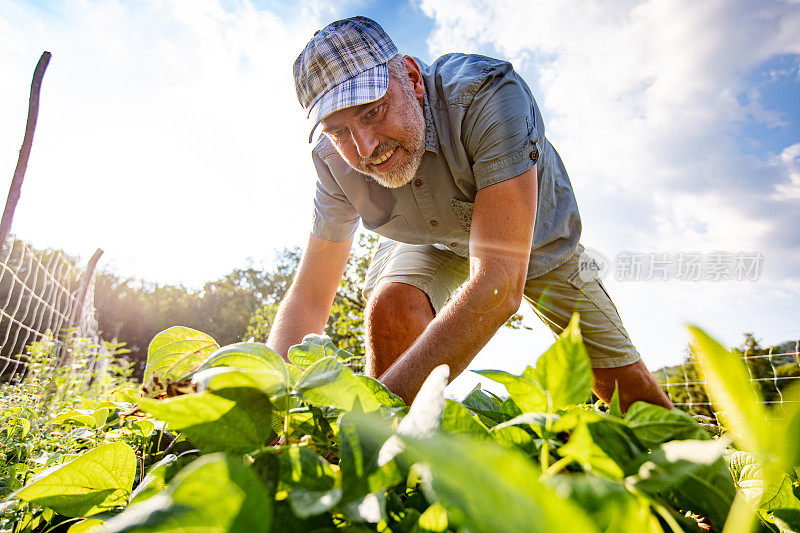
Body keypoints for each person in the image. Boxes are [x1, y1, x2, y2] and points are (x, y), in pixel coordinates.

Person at [267, 16, 672, 411]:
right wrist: (270, 403)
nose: (366, 146)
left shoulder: (488, 96)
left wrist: (371, 416)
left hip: (536, 242)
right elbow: (310, 296)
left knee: (630, 394)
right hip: (434, 238)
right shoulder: (332, 162)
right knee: (393, 308)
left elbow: (497, 286)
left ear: (410, 77)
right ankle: (393, 469)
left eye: (372, 111)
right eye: (339, 131)